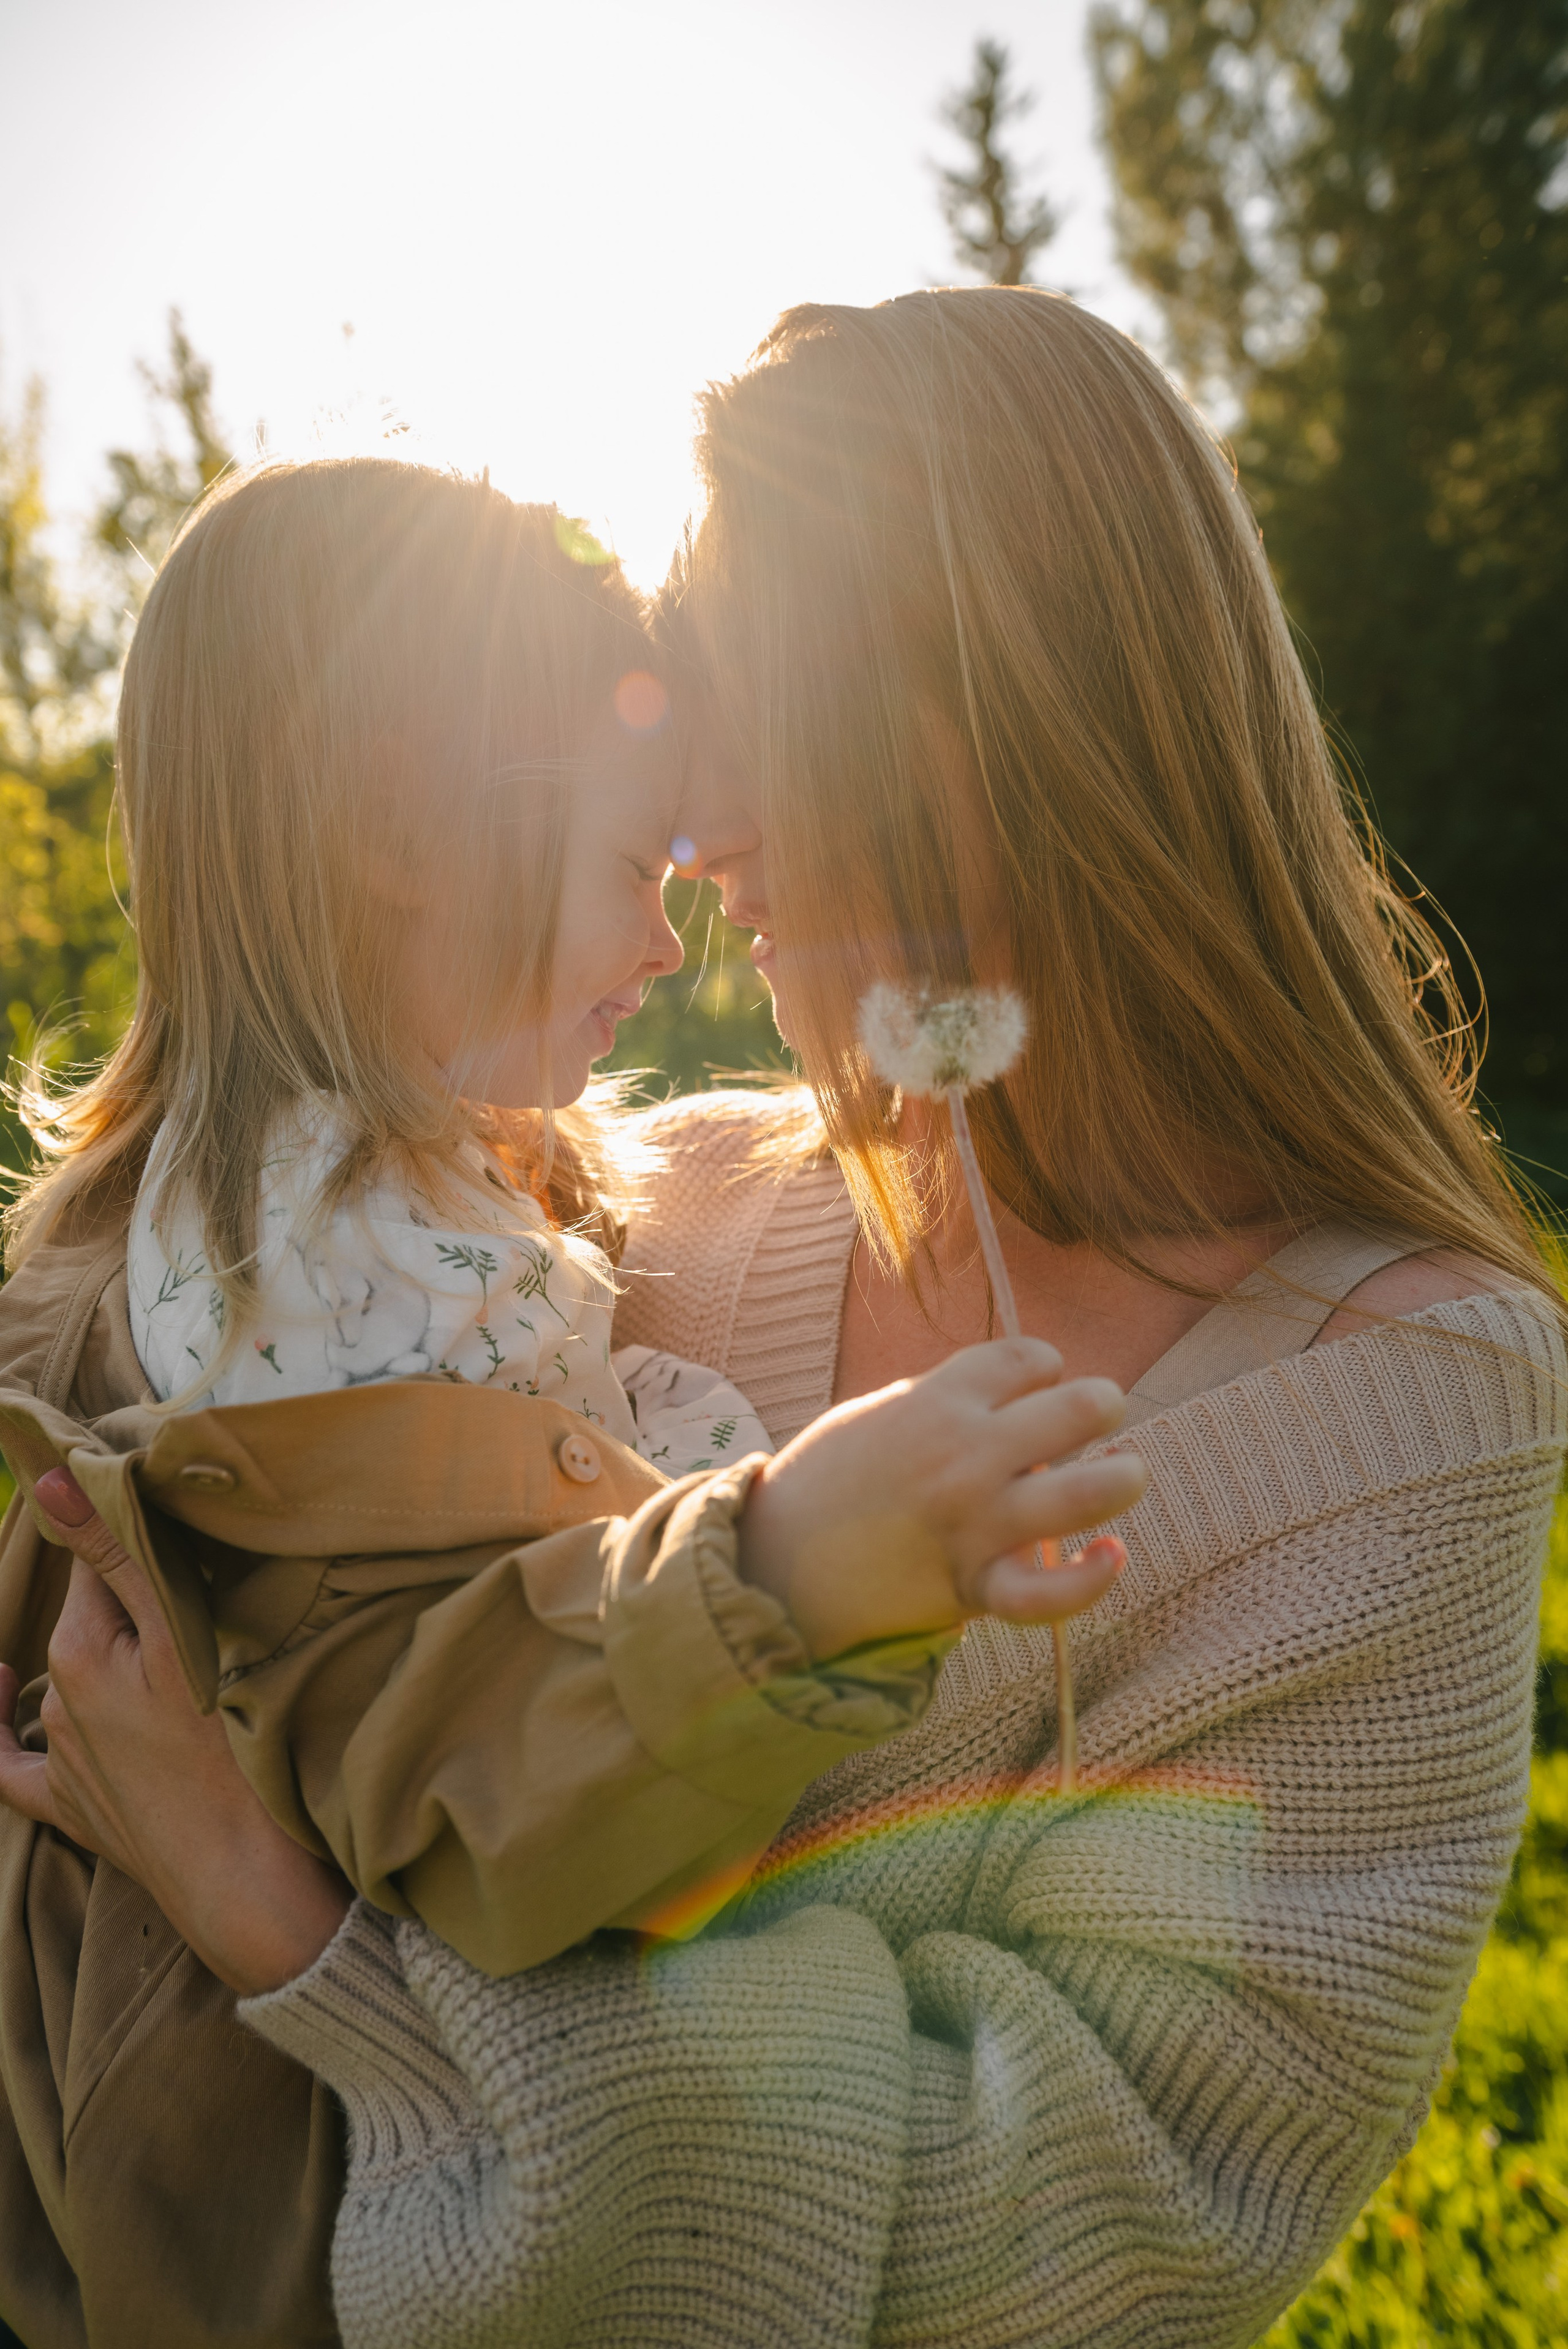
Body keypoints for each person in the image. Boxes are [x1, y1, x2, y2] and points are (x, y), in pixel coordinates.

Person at [6, 287, 1565, 2349]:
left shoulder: (1410, 1402)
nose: (689, 799)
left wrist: (282, 1928)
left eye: (740, 686)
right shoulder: (624, 1201)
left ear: (992, 702)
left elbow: (1071, 2234)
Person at [0, 453, 1137, 2345]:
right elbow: (456, 1762)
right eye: (628, 865)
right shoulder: (341, 1293)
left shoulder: (239, 1221)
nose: (671, 939)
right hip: (287, 2218)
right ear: (400, 831)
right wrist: (785, 1564)